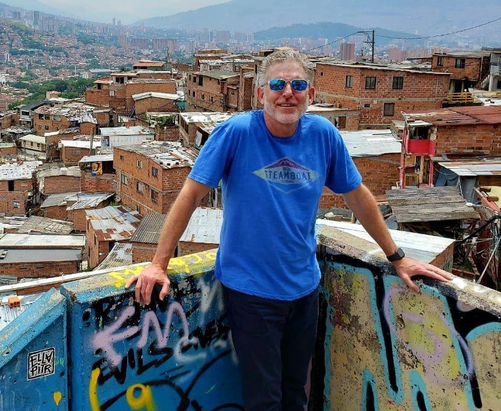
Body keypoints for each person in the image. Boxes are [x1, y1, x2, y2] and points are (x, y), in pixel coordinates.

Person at [125, 49, 453, 411]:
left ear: (310, 94)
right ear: (261, 93)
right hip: (251, 293)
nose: (288, 93)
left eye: (298, 84)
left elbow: (357, 197)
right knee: (264, 400)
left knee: (297, 394)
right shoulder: (235, 134)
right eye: (278, 84)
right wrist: (158, 263)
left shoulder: (323, 135)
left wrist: (397, 257)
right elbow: (190, 195)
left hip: (304, 290)